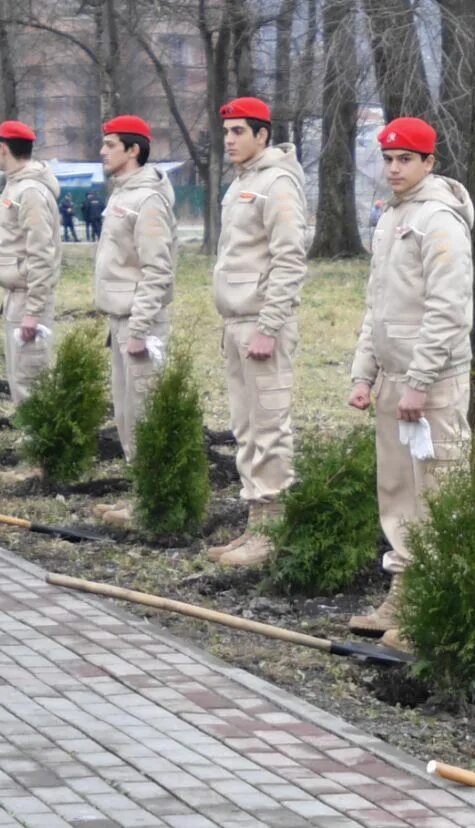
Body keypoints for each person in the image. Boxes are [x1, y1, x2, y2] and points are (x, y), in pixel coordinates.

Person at [346, 117, 475, 646]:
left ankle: (432, 605)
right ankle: (403, 589)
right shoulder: (392, 217)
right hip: (395, 377)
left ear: (429, 162)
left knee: (436, 491)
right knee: (397, 489)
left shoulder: (439, 220)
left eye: (406, 160)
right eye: (389, 159)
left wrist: (421, 381)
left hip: (433, 382)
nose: (394, 169)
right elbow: (378, 304)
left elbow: (448, 309)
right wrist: (364, 373)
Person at [206, 97, 309, 567]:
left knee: (268, 425)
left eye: (239, 132)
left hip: (263, 324)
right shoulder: (244, 182)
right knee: (246, 425)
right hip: (238, 322)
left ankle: (271, 529)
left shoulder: (278, 182)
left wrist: (268, 326)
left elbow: (289, 258)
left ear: (263, 135)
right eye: (227, 132)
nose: (230, 140)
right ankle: (254, 522)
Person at [91, 116, 178, 529]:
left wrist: (141, 328)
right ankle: (140, 494)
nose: (102, 151)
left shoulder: (148, 200)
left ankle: (151, 502)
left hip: (139, 323)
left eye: (110, 145)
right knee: (126, 414)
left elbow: (157, 270)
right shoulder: (123, 193)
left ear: (133, 151)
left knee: (143, 414)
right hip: (121, 319)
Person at [0, 119, 61, 410]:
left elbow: (42, 254)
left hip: (29, 296)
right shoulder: (15, 186)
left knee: (31, 374)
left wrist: (34, 311)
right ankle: (29, 434)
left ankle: (39, 442)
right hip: (16, 295)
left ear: (3, 148)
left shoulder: (29, 191)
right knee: (19, 373)